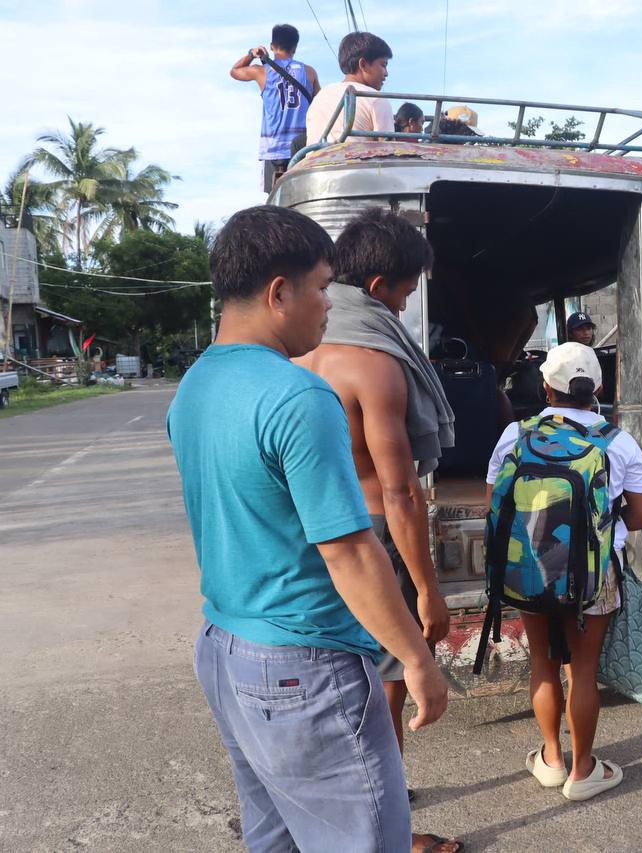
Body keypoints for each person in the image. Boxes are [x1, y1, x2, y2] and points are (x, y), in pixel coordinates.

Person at [167, 206, 448, 853]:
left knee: (277, 839)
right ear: (278, 292)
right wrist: (415, 657)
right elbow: (349, 549)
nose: (329, 305)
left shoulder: (195, 386)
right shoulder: (295, 396)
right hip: (302, 665)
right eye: (322, 288)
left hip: (224, 646)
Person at [292, 209, 462, 852]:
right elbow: (399, 491)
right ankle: (390, 831)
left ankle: (340, 811)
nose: (407, 306)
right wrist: (426, 588)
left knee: (325, 681)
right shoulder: (375, 364)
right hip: (369, 536)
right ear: (380, 285)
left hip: (306, 534)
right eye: (407, 292)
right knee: (384, 694)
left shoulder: (294, 350)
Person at [485, 343, 642, 801]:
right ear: (597, 387)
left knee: (542, 662)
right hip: (594, 575)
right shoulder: (617, 441)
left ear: (546, 387)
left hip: (528, 570)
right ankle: (583, 772)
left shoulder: (515, 435)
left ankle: (550, 760)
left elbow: (495, 507)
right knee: (582, 670)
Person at [229, 24, 320, 192]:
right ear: (295, 47)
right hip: (302, 147)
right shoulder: (309, 72)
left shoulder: (262, 71)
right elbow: (319, 106)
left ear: (272, 46)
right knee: (303, 195)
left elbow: (234, 71)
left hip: (274, 149)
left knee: (275, 202)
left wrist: (252, 54)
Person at [306, 31, 395, 145]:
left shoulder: (320, 97)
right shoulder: (375, 98)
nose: (386, 73)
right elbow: (388, 149)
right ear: (363, 64)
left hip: (314, 162)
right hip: (356, 162)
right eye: (383, 65)